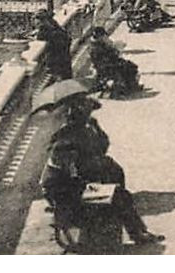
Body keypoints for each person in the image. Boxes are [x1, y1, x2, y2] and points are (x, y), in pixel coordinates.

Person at [42, 97, 163, 246]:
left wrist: (96, 129)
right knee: (118, 193)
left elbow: (102, 147)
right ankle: (137, 233)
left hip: (76, 188)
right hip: (69, 198)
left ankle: (137, 232)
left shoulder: (83, 129)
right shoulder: (65, 139)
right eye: (86, 113)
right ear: (75, 115)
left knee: (114, 175)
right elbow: (68, 172)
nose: (89, 116)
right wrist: (88, 182)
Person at [84, 27, 140, 97]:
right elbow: (108, 56)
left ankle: (130, 85)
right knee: (129, 66)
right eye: (104, 36)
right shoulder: (98, 47)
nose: (105, 37)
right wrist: (115, 51)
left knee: (128, 65)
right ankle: (130, 86)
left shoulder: (95, 45)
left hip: (104, 66)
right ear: (100, 36)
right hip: (107, 67)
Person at [36, 10, 73, 80]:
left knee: (59, 78)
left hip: (56, 60)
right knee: (66, 77)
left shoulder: (44, 30)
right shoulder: (55, 25)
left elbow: (41, 39)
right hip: (64, 57)